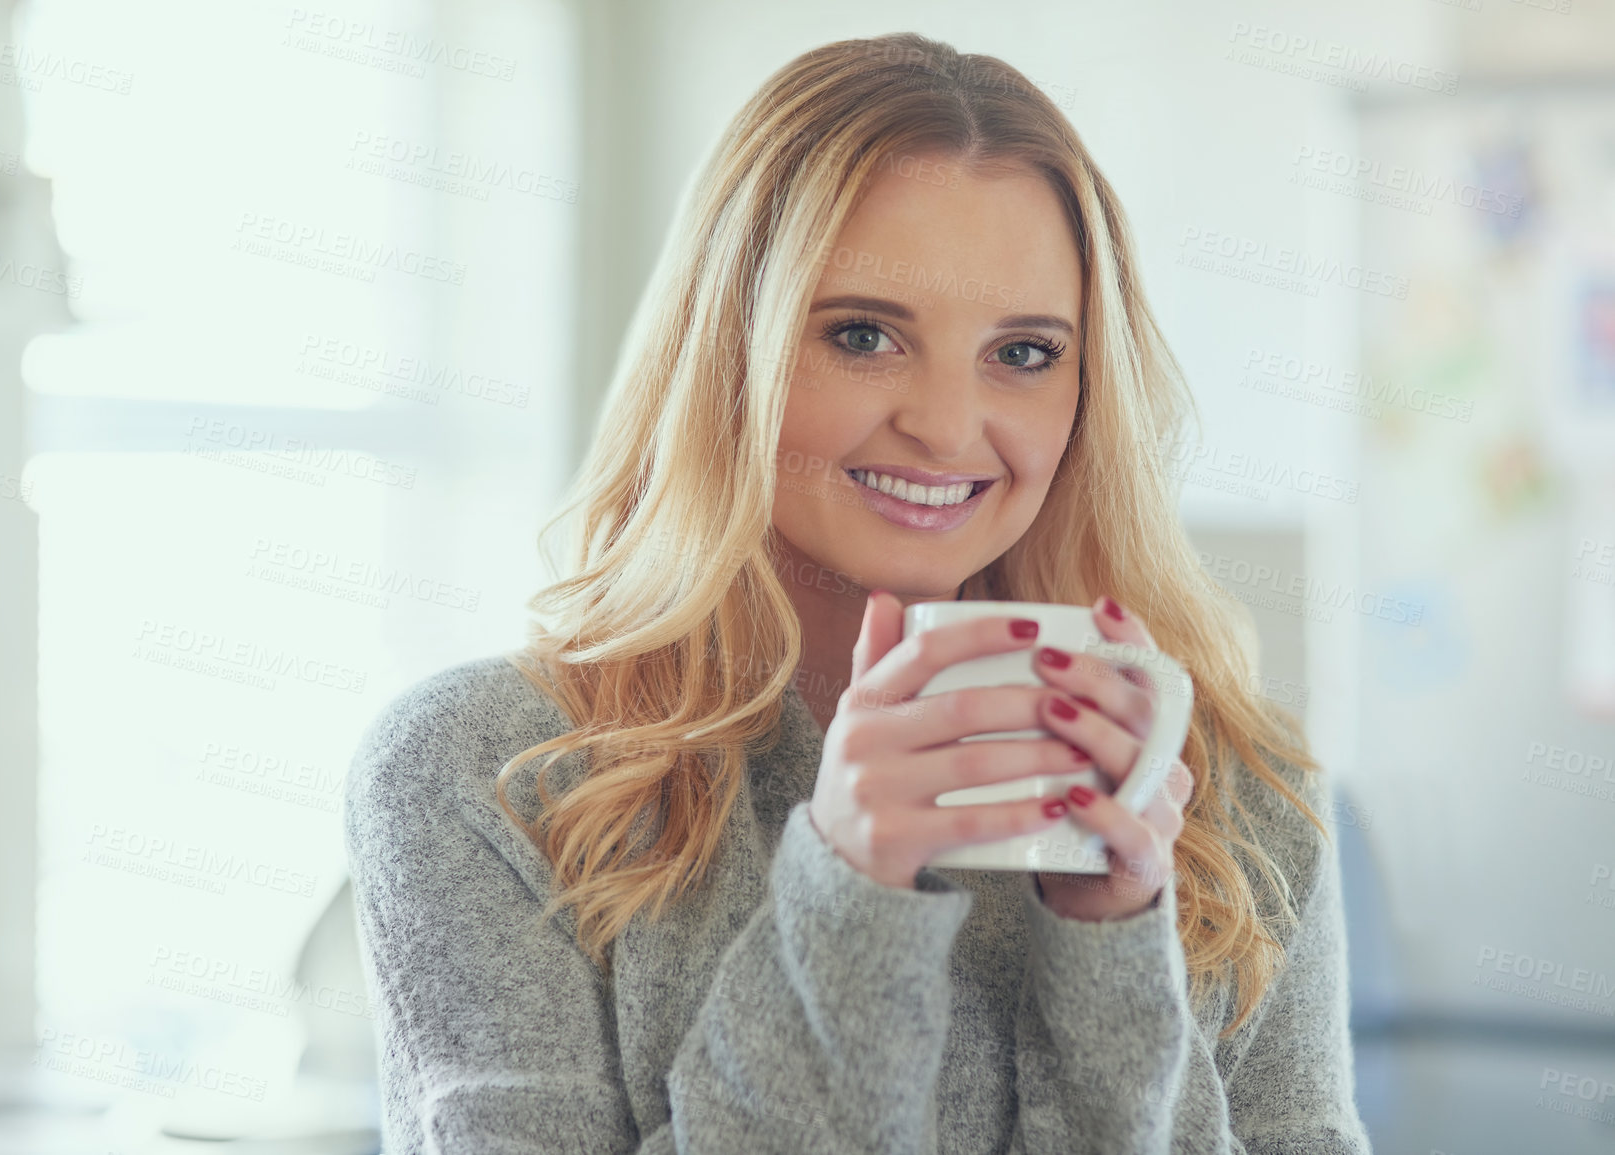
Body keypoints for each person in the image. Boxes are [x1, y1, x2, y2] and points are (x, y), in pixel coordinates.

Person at [344, 30, 1373, 1154]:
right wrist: (847, 895)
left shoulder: (1239, 794)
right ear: (730, 351)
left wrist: (1115, 953)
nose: (945, 425)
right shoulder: (486, 775)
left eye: (1024, 352)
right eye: (864, 335)